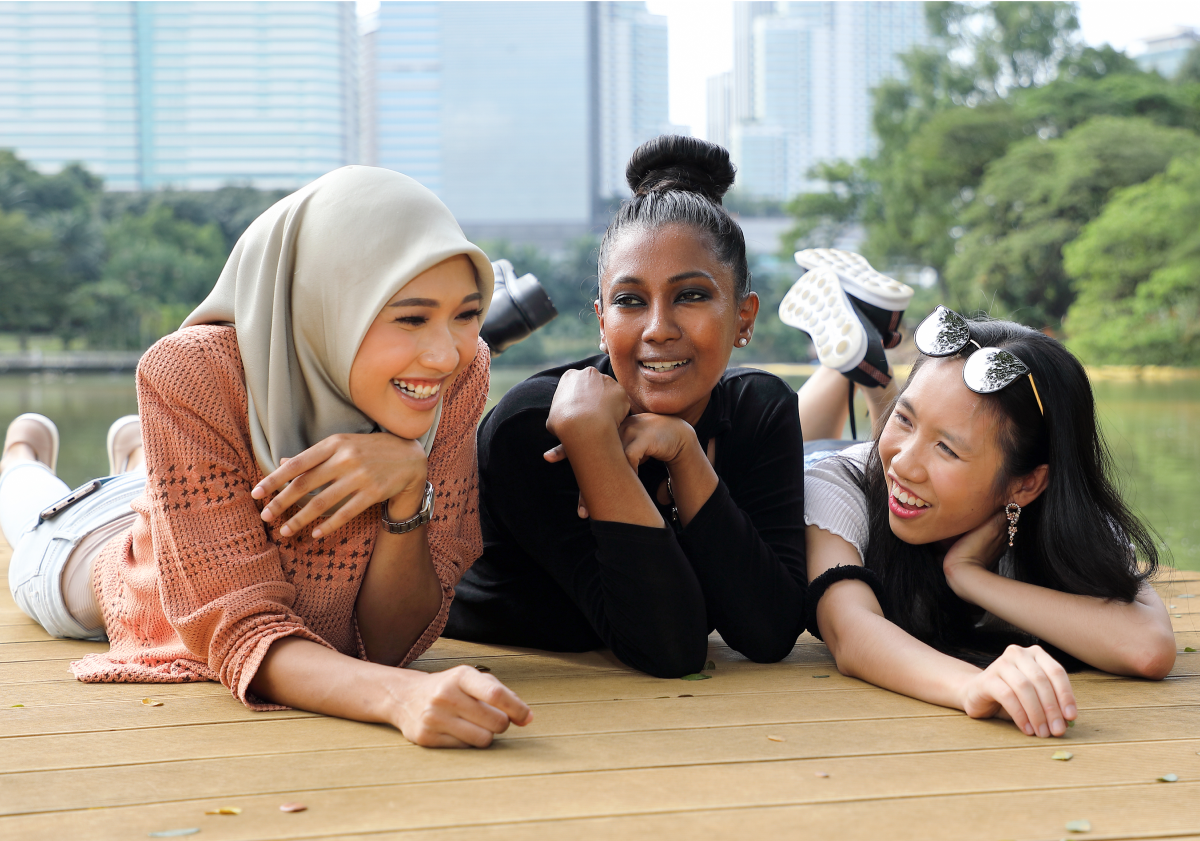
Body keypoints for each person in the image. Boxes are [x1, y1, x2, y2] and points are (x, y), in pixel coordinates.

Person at [1, 166, 532, 748]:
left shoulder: (458, 376)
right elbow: (244, 629)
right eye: (411, 317)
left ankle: (135, 455)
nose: (445, 355)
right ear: (327, 301)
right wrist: (398, 696)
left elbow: (388, 645)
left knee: (153, 487)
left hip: (191, 492)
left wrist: (410, 489)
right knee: (35, 523)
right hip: (101, 555)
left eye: (466, 314)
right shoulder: (194, 371)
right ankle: (22, 454)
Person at [444, 136, 808, 678]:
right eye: (630, 301)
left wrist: (686, 454)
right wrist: (592, 444)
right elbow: (670, 648)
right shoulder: (534, 425)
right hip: (498, 678)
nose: (658, 329)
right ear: (601, 321)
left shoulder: (760, 411)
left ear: (744, 317)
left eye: (691, 295)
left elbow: (770, 630)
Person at [784, 264, 1176, 739]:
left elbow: (1148, 648)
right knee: (788, 444)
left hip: (885, 466)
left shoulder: (1065, 516)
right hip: (820, 462)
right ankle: (857, 370)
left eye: (948, 449)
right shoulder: (836, 487)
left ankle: (872, 369)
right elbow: (850, 631)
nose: (906, 463)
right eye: (904, 418)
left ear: (1026, 485)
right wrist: (973, 685)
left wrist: (969, 576)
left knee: (896, 454)